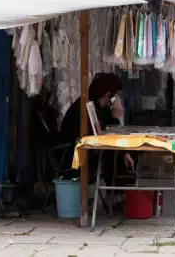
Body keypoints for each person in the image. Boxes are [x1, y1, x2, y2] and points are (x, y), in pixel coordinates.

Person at [58, 73, 135, 205]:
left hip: (85, 152)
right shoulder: (84, 109)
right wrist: (116, 117)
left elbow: (108, 133)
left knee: (127, 154)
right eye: (115, 95)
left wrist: (125, 152)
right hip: (73, 157)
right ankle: (116, 196)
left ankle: (119, 195)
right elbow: (102, 137)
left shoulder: (98, 108)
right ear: (109, 95)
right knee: (114, 155)